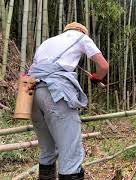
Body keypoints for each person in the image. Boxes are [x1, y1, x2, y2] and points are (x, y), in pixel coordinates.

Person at [28, 22, 109, 180]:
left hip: (31, 94)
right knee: (70, 154)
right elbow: (103, 66)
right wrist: (96, 78)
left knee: (47, 150)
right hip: (55, 93)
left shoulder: (47, 42)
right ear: (81, 31)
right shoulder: (80, 37)